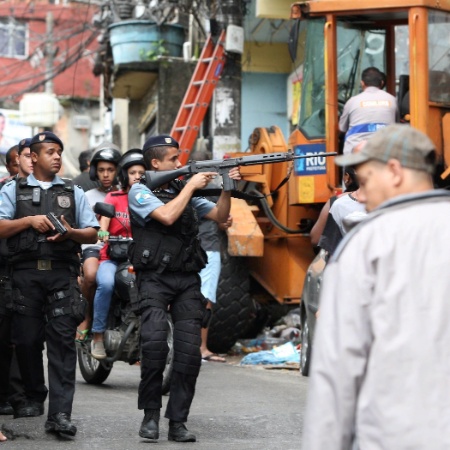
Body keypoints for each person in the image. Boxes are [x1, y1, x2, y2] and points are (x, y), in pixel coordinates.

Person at [301, 124, 449, 449]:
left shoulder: (368, 242)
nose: (363, 196)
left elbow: (338, 367)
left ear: (394, 171)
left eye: (366, 181)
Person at [128, 134, 241, 443]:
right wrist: (191, 184)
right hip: (153, 278)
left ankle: (178, 420)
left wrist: (227, 184)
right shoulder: (140, 190)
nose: (180, 164)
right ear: (155, 163)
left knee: (189, 354)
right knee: (153, 347)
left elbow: (220, 217)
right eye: (173, 160)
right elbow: (165, 216)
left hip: (186, 279)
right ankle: (151, 415)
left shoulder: (183, 190)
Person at [0, 131, 99, 437]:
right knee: (27, 341)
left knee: (62, 345)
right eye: (51, 152)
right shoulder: (12, 191)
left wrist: (70, 232)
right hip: (25, 276)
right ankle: (33, 395)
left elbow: (93, 233)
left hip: (61, 274)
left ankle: (60, 414)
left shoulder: (73, 190)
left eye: (60, 152)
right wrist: (29, 221)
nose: (57, 157)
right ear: (33, 156)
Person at [90, 149, 145, 359]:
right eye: (133, 172)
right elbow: (103, 222)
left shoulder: (150, 200)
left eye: (142, 172)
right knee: (106, 284)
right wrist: (103, 233)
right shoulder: (114, 197)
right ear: (125, 175)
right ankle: (97, 336)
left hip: (140, 257)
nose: (138, 176)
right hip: (111, 257)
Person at [0, 137, 34, 419]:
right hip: (6, 270)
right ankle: (12, 395)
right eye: (22, 157)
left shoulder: (58, 190)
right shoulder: (5, 192)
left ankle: (26, 395)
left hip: (30, 272)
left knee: (28, 336)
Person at [77, 142, 121, 342]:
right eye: (101, 170)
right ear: (95, 171)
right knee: (92, 275)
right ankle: (86, 316)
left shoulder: (125, 194)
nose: (106, 174)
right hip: (94, 247)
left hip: (120, 247)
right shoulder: (87, 196)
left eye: (110, 170)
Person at [339, 66, 398, 155]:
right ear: (382, 83)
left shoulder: (352, 101)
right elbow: (396, 124)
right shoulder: (392, 100)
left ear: (362, 83)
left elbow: (342, 128)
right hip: (386, 153)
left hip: (356, 154)